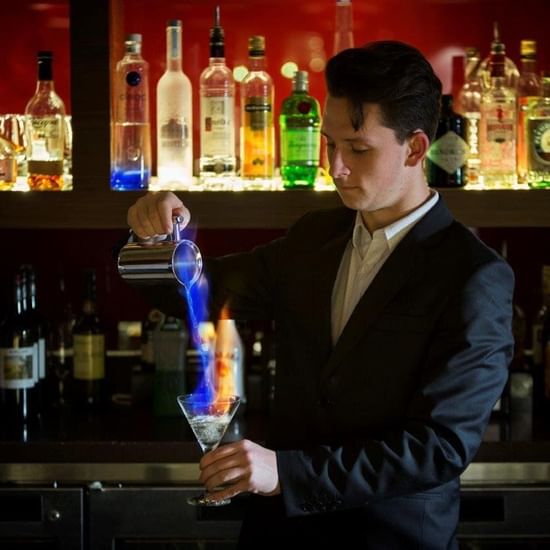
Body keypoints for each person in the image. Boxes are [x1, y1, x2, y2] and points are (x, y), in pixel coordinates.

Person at [126, 41, 514, 549]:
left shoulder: (472, 274)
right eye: (330, 144)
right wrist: (151, 236)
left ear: (416, 149)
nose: (337, 167)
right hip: (281, 536)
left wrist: (288, 473)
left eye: (357, 149)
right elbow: (198, 291)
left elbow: (439, 447)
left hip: (388, 539)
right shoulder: (315, 237)